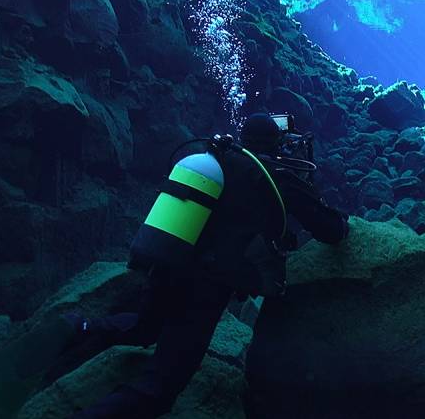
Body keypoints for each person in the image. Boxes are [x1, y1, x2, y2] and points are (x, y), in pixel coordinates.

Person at [67, 112, 349, 418]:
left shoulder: (217, 161)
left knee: (144, 327)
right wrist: (341, 221)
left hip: (169, 261)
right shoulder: (275, 177)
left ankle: (77, 328)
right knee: (159, 388)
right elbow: (331, 231)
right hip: (203, 289)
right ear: (276, 144)